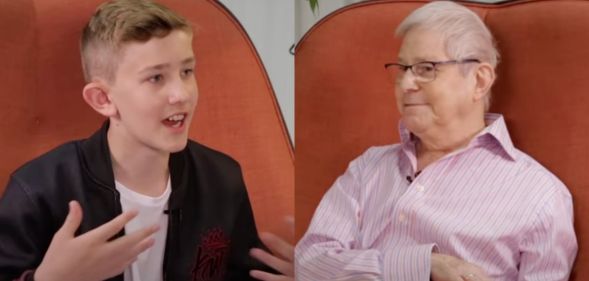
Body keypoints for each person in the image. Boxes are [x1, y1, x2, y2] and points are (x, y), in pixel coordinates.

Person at [0, 1, 292, 280]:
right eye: (156, 78)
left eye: (187, 71)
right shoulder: (37, 190)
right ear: (103, 99)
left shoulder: (222, 178)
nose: (182, 94)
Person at [295, 1, 577, 280]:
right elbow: (309, 264)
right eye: (402, 68)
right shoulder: (367, 168)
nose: (406, 84)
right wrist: (423, 265)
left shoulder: (540, 198)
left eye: (426, 68)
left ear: (479, 81)